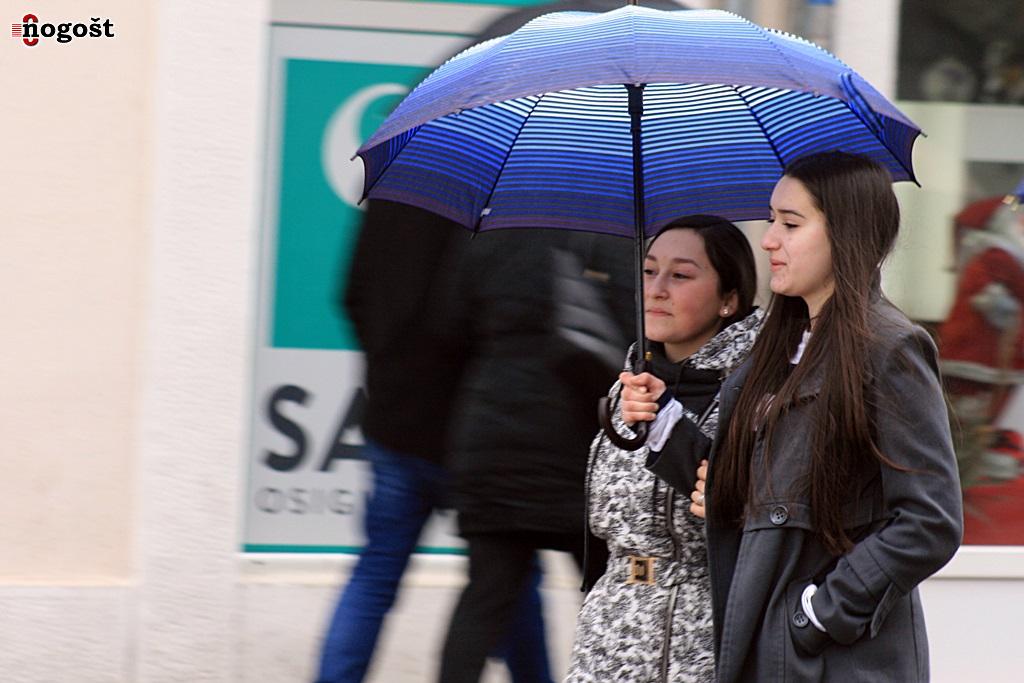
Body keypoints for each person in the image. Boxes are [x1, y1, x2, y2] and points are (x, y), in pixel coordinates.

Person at [689, 151, 963, 682]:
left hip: (833, 660)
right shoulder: (777, 351)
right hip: (762, 646)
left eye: (791, 224)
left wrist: (817, 613)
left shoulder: (889, 348)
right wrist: (663, 430)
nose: (770, 240)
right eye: (771, 220)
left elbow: (930, 521)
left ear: (845, 231)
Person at [314, 201, 552, 683]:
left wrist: (388, 368)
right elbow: (497, 318)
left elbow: (353, 294)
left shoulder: (397, 195)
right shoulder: (501, 202)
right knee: (508, 579)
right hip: (476, 432)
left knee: (377, 574)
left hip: (396, 422)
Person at [566, 216, 762, 683]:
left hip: (696, 645)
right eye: (650, 271)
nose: (656, 290)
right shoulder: (630, 384)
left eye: (680, 275)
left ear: (729, 299)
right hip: (607, 637)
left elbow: (732, 504)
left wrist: (666, 423)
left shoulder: (756, 390)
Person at [435, 228, 634, 683]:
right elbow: (633, 338)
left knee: (484, 600)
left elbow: (447, 327)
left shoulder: (490, 235)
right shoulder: (609, 237)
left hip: (492, 438)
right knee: (611, 598)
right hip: (579, 447)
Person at [938, 194, 1024, 490]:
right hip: (980, 359)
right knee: (969, 424)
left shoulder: (989, 254)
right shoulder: (998, 256)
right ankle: (956, 485)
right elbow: (991, 299)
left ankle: (962, 477)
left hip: (980, 356)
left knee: (970, 424)